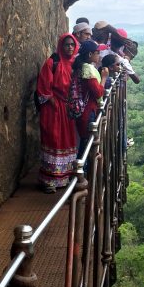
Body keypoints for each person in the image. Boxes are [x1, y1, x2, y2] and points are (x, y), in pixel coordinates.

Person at [36, 33, 78, 193]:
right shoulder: (52, 62)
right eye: (67, 44)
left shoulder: (74, 63)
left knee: (67, 141)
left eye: (72, 45)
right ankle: (49, 180)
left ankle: (63, 177)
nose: (70, 47)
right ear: (61, 45)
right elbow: (44, 86)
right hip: (53, 109)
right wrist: (54, 103)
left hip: (67, 109)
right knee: (53, 140)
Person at [71, 40, 108, 155]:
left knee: (85, 141)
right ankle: (83, 170)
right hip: (87, 111)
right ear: (90, 54)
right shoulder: (87, 69)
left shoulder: (81, 66)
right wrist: (104, 78)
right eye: (97, 53)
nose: (99, 55)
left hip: (84, 109)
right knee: (86, 143)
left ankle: (83, 169)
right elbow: (97, 92)